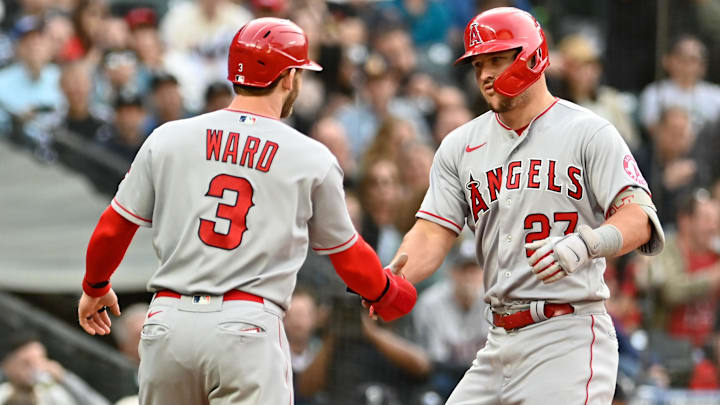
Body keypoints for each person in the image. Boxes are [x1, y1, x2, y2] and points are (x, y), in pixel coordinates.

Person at [76, 17, 416, 405]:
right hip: (246, 327)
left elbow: (114, 226)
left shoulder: (169, 136)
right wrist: (385, 290)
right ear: (288, 77)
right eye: (299, 73)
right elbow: (346, 253)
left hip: (168, 325)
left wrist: (95, 286)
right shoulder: (309, 156)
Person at [386, 7, 665, 404]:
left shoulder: (588, 131)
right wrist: (393, 278)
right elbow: (433, 230)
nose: (484, 74)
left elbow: (640, 217)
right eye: (478, 63)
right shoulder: (459, 146)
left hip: (567, 333)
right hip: (497, 338)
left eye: (497, 60)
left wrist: (587, 243)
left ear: (533, 56)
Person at [0, 333, 110, 405]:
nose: (36, 368)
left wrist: (64, 378)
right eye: (26, 363)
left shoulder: (54, 392)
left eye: (40, 360)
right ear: (7, 365)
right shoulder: (4, 392)